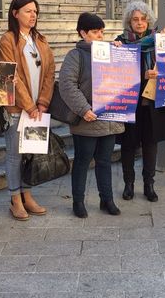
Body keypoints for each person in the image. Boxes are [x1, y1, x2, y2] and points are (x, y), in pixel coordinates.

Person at [59, 12, 125, 218]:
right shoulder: (76, 56)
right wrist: (84, 109)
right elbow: (67, 85)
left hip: (109, 118)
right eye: (95, 32)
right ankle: (78, 201)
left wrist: (122, 54)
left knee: (105, 160)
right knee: (82, 160)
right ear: (83, 33)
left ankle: (107, 199)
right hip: (87, 118)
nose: (99, 36)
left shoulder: (110, 51)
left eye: (102, 32)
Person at [0, 0, 55, 221]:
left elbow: (50, 73)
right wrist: (29, 105)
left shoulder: (40, 39)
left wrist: (42, 102)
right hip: (17, 109)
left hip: (37, 110)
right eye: (27, 11)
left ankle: (27, 194)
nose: (33, 15)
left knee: (30, 153)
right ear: (15, 13)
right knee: (14, 155)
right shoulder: (8, 40)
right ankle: (15, 199)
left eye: (35, 11)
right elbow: (12, 75)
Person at [115, 1, 165, 202]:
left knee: (150, 145)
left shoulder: (160, 40)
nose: (140, 23)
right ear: (129, 22)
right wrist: (143, 75)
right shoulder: (120, 42)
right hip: (130, 103)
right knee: (128, 146)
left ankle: (149, 184)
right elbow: (116, 74)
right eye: (135, 19)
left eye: (143, 19)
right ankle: (128, 184)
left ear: (148, 20)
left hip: (153, 102)